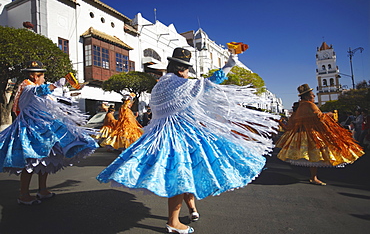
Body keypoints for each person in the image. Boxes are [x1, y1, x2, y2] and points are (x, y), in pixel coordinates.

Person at [97, 48, 278, 233]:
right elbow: (209, 83)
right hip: (179, 136)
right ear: (182, 69)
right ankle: (173, 222)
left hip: (160, 134)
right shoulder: (178, 84)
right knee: (181, 175)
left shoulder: (159, 85)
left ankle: (191, 209)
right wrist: (229, 66)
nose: (188, 74)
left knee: (185, 173)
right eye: (187, 70)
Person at [0, 61, 99, 205]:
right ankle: (23, 194)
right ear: (35, 76)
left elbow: (49, 99)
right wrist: (56, 84)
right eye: (43, 76)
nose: (44, 79)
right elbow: (40, 91)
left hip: (42, 128)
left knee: (44, 160)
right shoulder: (27, 87)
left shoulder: (34, 86)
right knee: (30, 161)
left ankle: (42, 189)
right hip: (30, 129)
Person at [276, 84, 364, 186]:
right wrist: (330, 115)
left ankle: (313, 177)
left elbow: (297, 120)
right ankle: (313, 177)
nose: (314, 96)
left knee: (313, 156)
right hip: (312, 134)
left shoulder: (301, 106)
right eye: (312, 95)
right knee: (316, 155)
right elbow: (319, 118)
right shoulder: (309, 105)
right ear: (307, 96)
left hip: (304, 134)